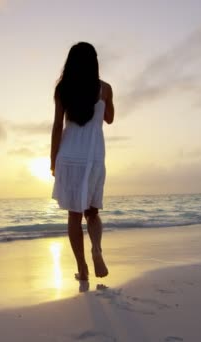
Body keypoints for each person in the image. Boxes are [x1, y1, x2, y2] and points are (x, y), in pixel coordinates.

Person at [50, 42, 114, 281]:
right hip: (94, 156)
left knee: (74, 215)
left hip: (69, 156)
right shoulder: (104, 88)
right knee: (93, 212)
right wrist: (104, 102)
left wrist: (53, 159)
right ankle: (96, 249)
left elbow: (57, 126)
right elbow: (109, 119)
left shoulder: (63, 89)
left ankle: (83, 269)